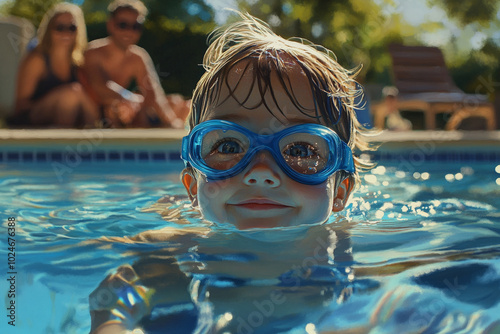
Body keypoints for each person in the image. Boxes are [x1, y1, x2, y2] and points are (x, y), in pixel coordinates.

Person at [88, 13, 374, 334]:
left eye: (300, 151)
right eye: (227, 147)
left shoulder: (359, 257)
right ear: (192, 187)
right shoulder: (173, 249)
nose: (261, 174)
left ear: (340, 190)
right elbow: (114, 295)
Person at [82, 0, 184, 128]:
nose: (129, 31)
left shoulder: (138, 56)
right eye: (123, 25)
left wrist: (171, 122)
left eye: (136, 26)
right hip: (90, 113)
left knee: (174, 103)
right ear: (110, 25)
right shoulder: (93, 52)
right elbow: (100, 86)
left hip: (121, 112)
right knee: (125, 104)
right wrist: (129, 98)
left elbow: (153, 93)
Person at [11, 2, 99, 128]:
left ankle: (98, 141)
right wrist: (58, 99)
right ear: (49, 29)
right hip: (31, 119)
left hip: (67, 118)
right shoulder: (37, 59)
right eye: (60, 27)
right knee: (72, 94)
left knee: (81, 97)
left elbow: (88, 98)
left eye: (72, 28)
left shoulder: (78, 61)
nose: (66, 33)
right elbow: (20, 106)